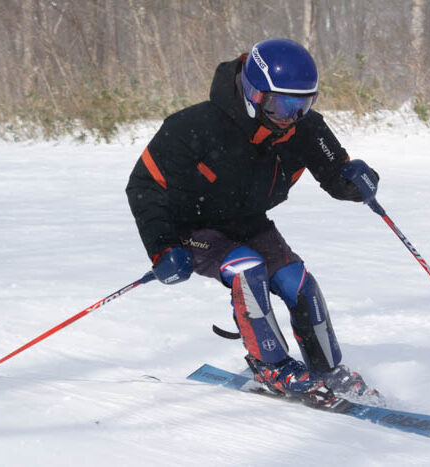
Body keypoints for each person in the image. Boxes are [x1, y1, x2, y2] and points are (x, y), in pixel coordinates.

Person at [126, 38, 380, 405]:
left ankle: (327, 369)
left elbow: (337, 175)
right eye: (281, 105)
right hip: (193, 228)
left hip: (248, 222)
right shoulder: (194, 126)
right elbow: (145, 184)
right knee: (248, 269)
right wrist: (162, 246)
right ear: (253, 93)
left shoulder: (304, 129)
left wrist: (359, 182)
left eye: (303, 104)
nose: (291, 117)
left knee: (298, 282)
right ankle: (271, 366)